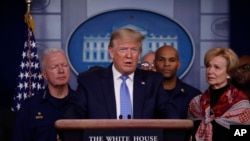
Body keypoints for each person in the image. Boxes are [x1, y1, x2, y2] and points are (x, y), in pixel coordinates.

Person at [62, 28, 179, 140]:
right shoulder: (90, 81)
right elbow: (72, 117)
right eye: (123, 49)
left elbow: (171, 116)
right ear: (111, 52)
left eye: (134, 50)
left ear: (139, 54)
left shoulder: (153, 81)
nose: (129, 55)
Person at [13, 47, 76, 141]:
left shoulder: (81, 102)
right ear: (44, 74)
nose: (61, 71)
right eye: (54, 67)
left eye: (64, 65)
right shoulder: (30, 106)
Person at [188, 47, 250, 141]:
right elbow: (188, 135)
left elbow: (243, 135)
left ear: (229, 73)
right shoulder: (196, 102)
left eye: (217, 67)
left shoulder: (240, 103)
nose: (210, 71)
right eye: (208, 66)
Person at [154, 45, 201, 119]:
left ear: (178, 64)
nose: (166, 64)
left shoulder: (193, 95)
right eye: (161, 59)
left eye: (172, 60)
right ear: (154, 63)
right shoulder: (145, 94)